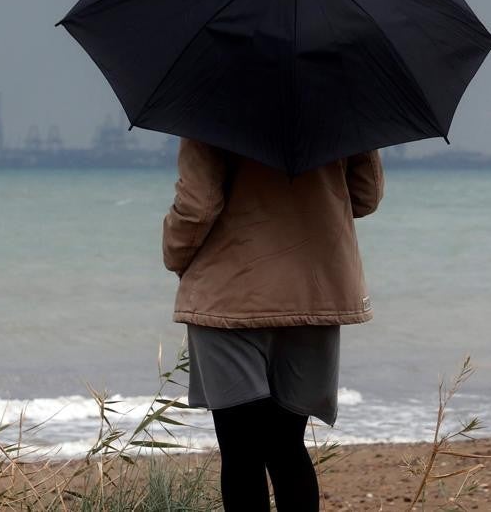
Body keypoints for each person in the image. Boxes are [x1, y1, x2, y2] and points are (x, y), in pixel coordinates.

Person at [162, 138, 384, 511]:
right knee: (287, 447)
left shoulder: (211, 101)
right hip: (313, 293)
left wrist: (173, 255)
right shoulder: (337, 99)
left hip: (228, 297)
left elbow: (198, 207)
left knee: (241, 452)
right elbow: (365, 195)